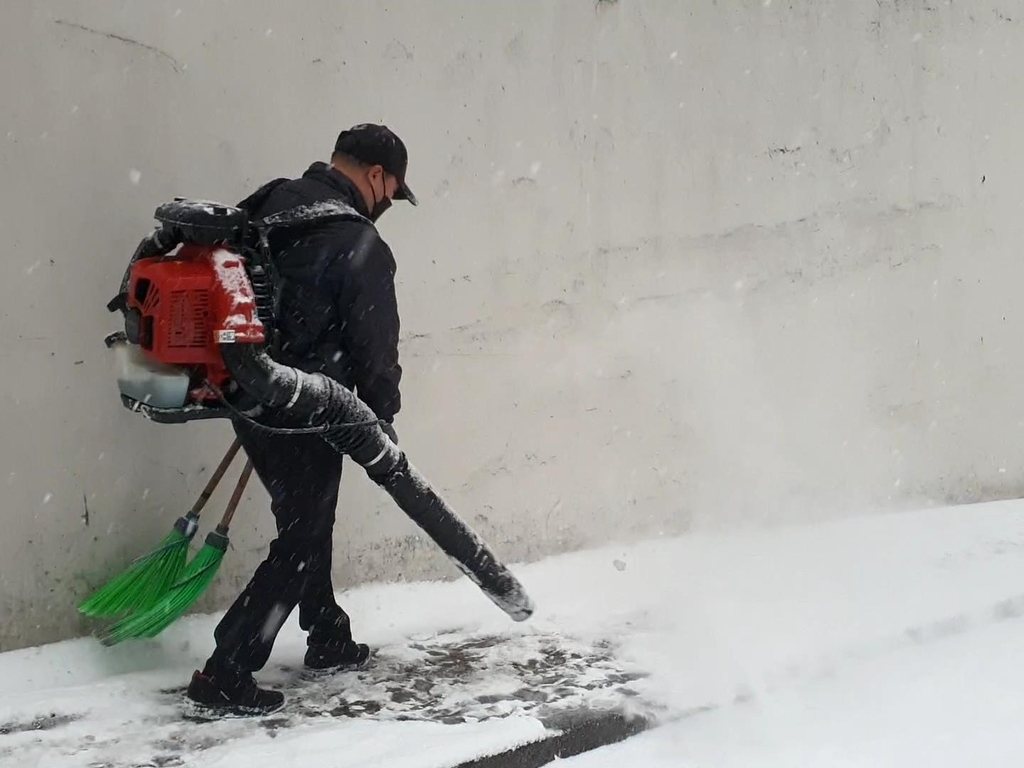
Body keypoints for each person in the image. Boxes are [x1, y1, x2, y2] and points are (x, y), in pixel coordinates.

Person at [185, 124, 418, 715]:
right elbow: (375, 346)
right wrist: (380, 418)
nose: (389, 201)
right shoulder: (359, 243)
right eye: (392, 189)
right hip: (308, 408)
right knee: (303, 536)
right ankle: (227, 671)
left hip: (247, 391)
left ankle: (327, 632)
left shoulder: (269, 200)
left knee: (308, 520)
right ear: (375, 177)